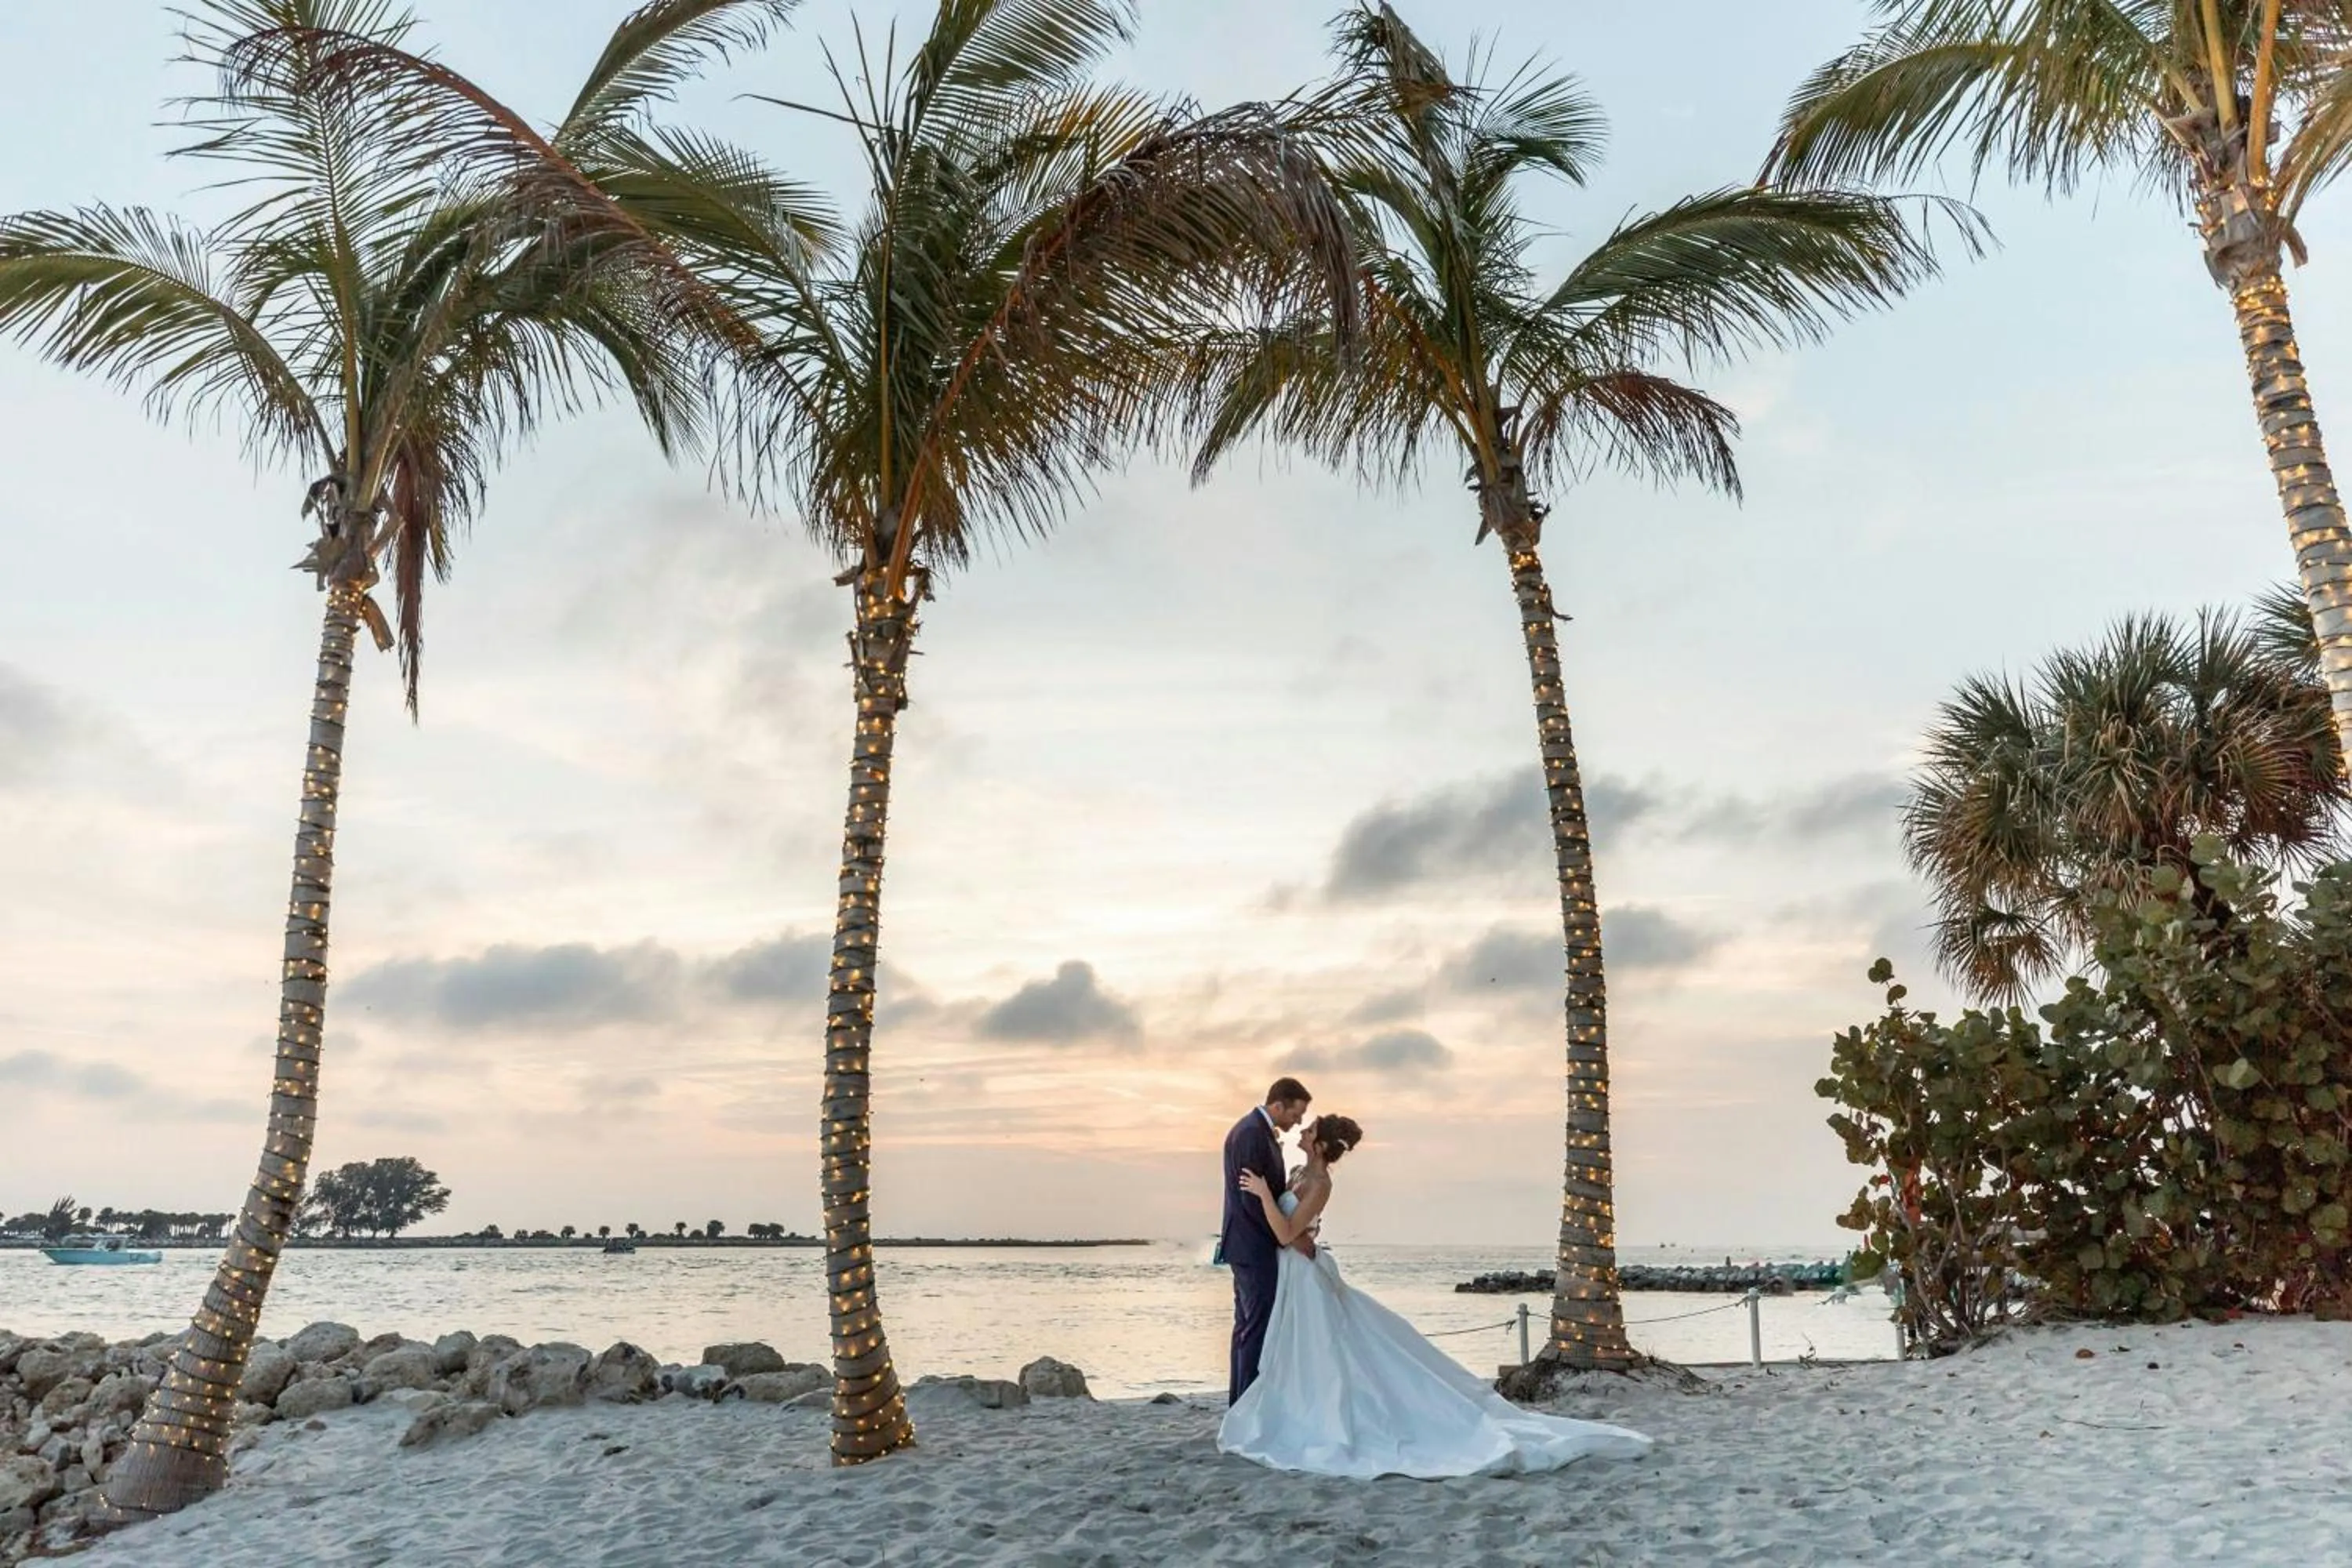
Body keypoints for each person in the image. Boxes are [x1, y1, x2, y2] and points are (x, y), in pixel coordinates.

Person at [1217, 1112, 1653, 1479]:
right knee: (1302, 1352)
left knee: (1328, 1352)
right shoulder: (1298, 1174)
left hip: (1304, 1273)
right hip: (1292, 1272)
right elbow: (1294, 1234)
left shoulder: (1320, 1184)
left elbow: (1287, 1233)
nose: (1302, 1130)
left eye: (1310, 1130)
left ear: (1320, 1145)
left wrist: (1264, 1197)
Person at [1220, 1077, 1312, 1406]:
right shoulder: (1251, 1134)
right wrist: (1285, 1236)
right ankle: (1245, 1404)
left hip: (1248, 1244)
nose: (1297, 1123)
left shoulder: (1256, 1131)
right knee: (1255, 1328)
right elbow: (1251, 1201)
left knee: (1246, 1326)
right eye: (1295, 1114)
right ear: (1278, 1105)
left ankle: (1239, 1404)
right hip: (1253, 1245)